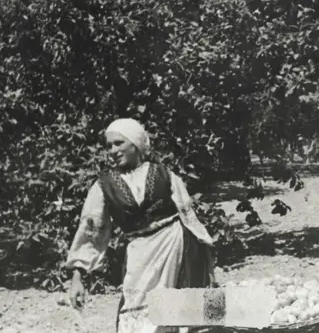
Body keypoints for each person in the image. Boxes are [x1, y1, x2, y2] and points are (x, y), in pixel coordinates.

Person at [65, 118, 215, 333]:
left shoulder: (164, 175)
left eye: (119, 143)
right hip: (140, 253)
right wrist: (77, 278)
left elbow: (188, 215)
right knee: (136, 313)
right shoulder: (104, 186)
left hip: (175, 245)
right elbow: (91, 231)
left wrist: (204, 249)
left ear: (135, 144)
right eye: (109, 145)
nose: (113, 150)